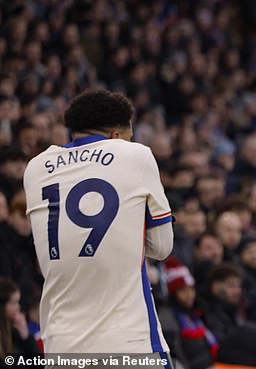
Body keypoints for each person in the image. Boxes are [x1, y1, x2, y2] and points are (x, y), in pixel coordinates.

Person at [23, 89, 174, 364]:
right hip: (129, 339)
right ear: (117, 136)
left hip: (60, 343)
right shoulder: (135, 155)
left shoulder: (35, 168)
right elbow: (162, 248)